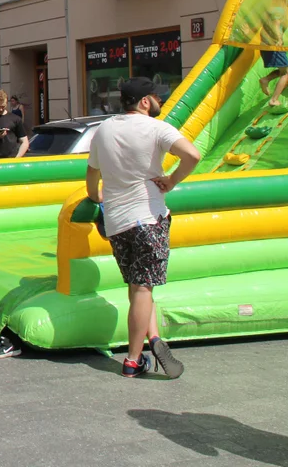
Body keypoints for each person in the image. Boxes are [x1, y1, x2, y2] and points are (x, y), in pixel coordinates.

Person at [85, 76, 199, 378]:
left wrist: (96, 198)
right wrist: (172, 180)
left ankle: (154, 337)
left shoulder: (104, 129)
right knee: (143, 286)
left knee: (138, 286)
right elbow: (193, 155)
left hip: (117, 223)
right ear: (145, 101)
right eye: (156, 96)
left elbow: (91, 175)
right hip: (149, 218)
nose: (159, 101)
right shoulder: (157, 128)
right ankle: (133, 360)